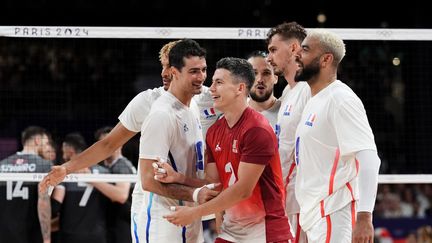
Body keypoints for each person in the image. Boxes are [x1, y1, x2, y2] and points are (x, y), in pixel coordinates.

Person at [39, 40, 218, 242]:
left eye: (169, 66)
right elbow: (109, 144)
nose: (164, 73)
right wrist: (68, 168)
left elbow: (244, 98)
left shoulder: (199, 98)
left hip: (188, 204)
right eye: (163, 66)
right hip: (157, 203)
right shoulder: (152, 103)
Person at [162, 57, 292, 243]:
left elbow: (242, 190)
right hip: (232, 231)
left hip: (265, 232)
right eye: (213, 82)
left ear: (240, 88)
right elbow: (213, 184)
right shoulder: (215, 131)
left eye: (219, 82)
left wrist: (194, 213)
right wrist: (178, 178)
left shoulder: (257, 129)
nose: (211, 88)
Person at [293, 29, 381, 242]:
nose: (297, 55)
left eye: (305, 50)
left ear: (326, 59)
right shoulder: (314, 98)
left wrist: (364, 216)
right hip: (314, 214)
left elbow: (369, 160)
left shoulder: (341, 100)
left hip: (333, 210)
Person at [266, 21, 309, 243]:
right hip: (285, 198)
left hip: (302, 202)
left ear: (293, 48)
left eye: (273, 50)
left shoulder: (309, 90)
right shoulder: (287, 91)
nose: (269, 57)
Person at [52, 132, 110, 243]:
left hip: (71, 234)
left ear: (70, 152)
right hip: (97, 234)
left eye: (64, 153)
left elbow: (56, 204)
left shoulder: (64, 174)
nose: (63, 157)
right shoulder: (104, 172)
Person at [0, 126, 52, 243]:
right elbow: (43, 203)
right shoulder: (44, 165)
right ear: (37, 140)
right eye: (46, 142)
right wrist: (47, 238)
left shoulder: (2, 165)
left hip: (4, 233)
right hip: (30, 233)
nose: (47, 146)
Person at [94, 126, 137, 243]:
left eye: (110, 142)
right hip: (114, 222)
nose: (107, 146)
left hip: (124, 224)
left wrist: (91, 179)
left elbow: (121, 196)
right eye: (103, 143)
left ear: (120, 143)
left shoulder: (122, 165)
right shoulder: (107, 166)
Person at [247, 50, 280, 129]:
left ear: (275, 78)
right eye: (254, 73)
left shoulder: (288, 113)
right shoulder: (233, 113)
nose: (260, 79)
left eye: (266, 73)